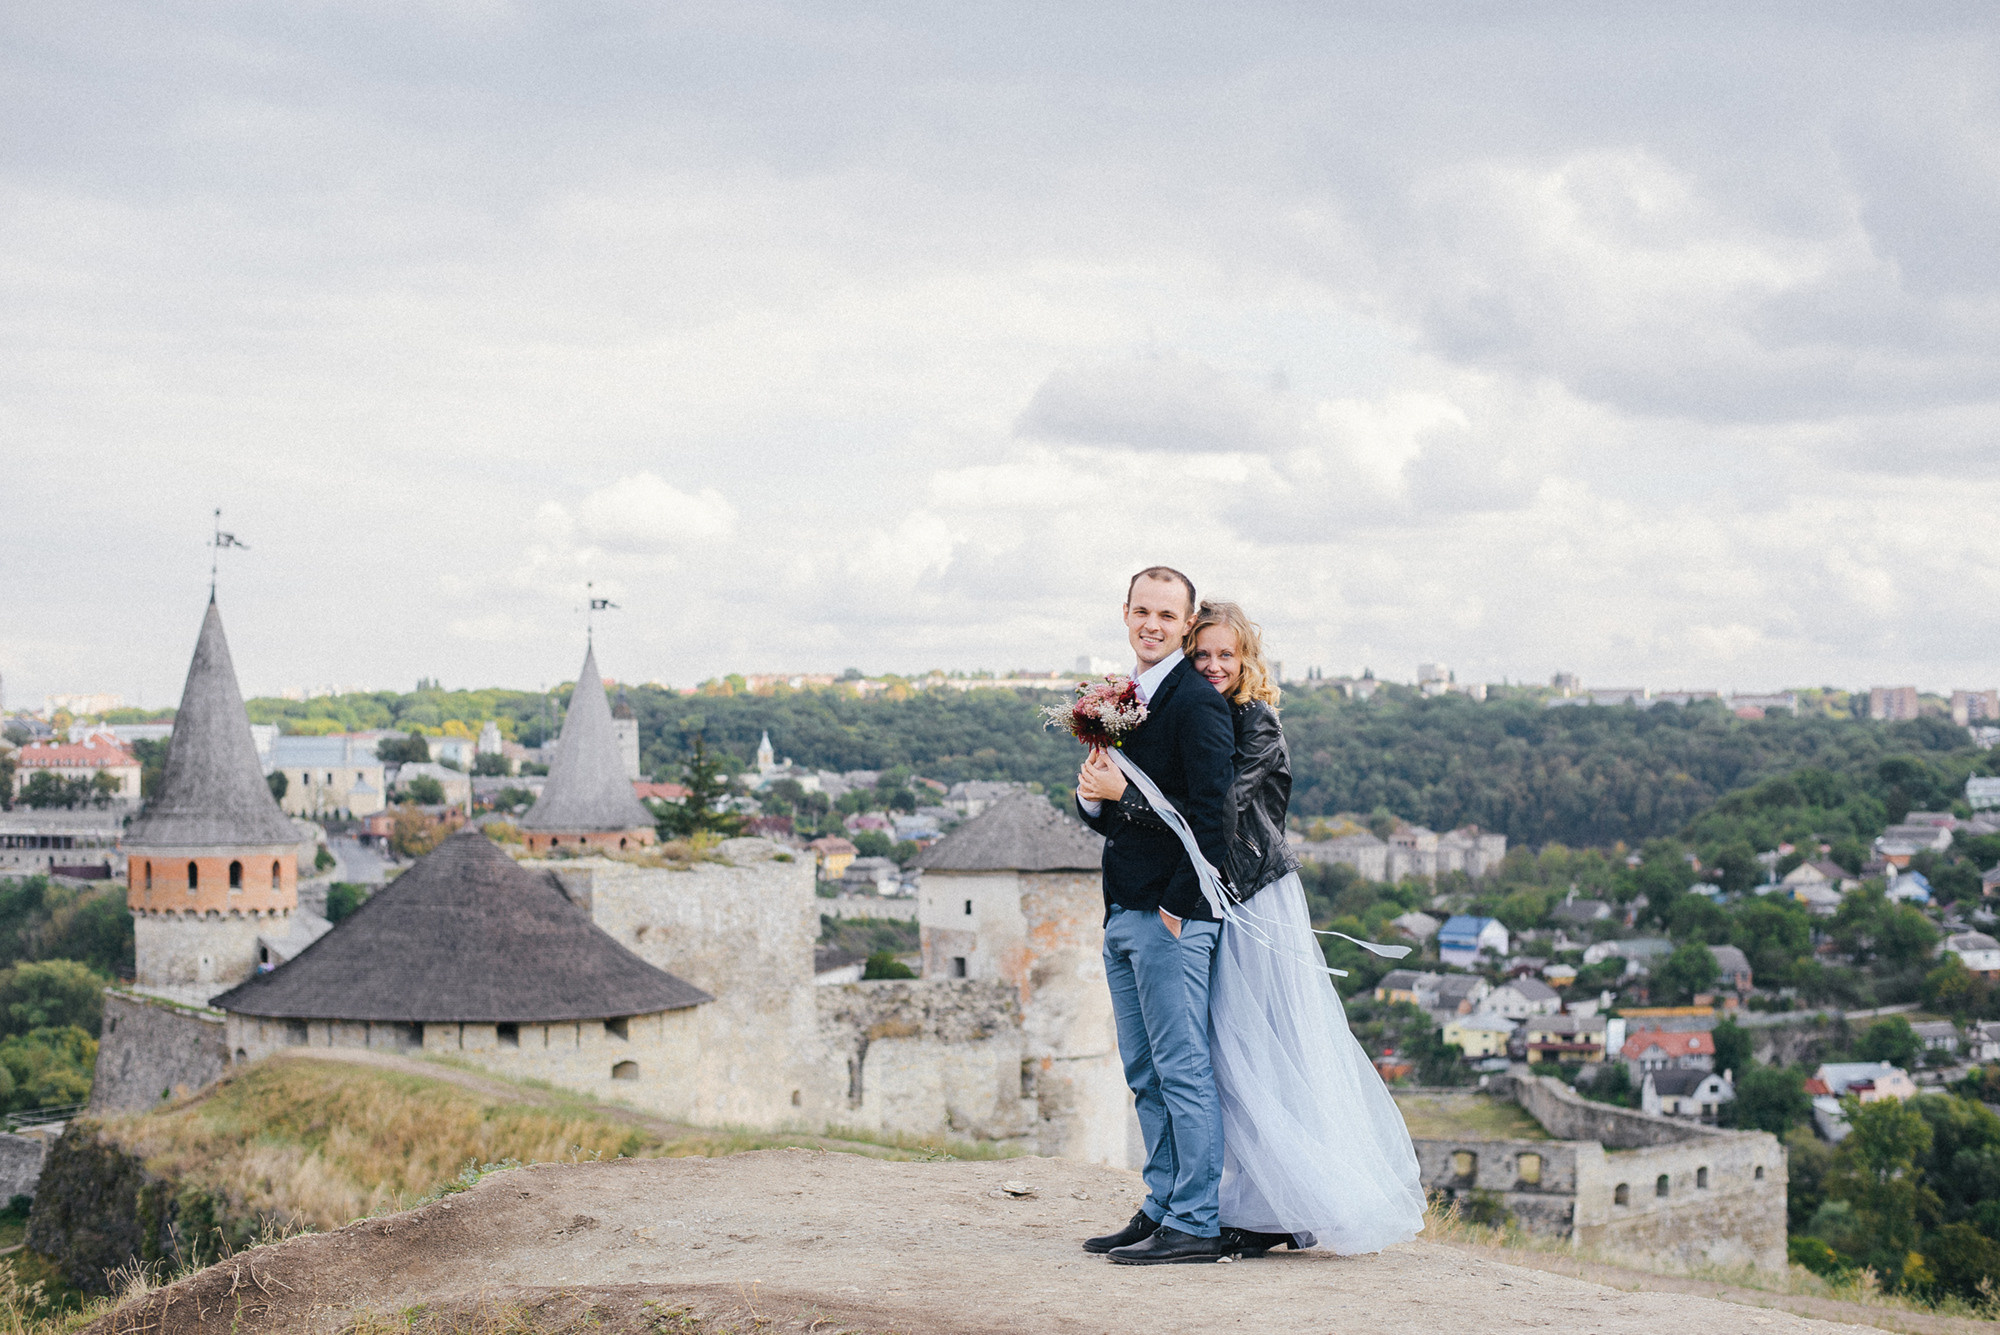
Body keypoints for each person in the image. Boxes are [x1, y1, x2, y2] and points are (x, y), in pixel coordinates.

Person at [1086, 600, 1427, 1256]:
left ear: (1247, 660)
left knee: (1266, 1049)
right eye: (1202, 654)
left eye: (1226, 654)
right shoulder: (1183, 713)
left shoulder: (1255, 722)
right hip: (1216, 896)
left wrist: (1123, 794)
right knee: (1222, 1055)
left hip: (1258, 897)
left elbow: (1217, 809)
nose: (1213, 666)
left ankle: (1279, 1204)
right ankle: (1240, 1202)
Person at [1072, 566, 1237, 1265]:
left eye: (1167, 616)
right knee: (1143, 1069)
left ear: (1187, 620)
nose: (1151, 624)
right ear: (1125, 612)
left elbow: (1214, 819)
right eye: (1142, 610)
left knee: (1182, 1069)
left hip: (1171, 915)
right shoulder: (1129, 697)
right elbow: (1123, 821)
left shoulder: (1196, 703)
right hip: (1122, 910)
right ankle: (1162, 1202)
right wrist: (1091, 796)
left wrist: (1175, 909)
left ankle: (1197, 1219)